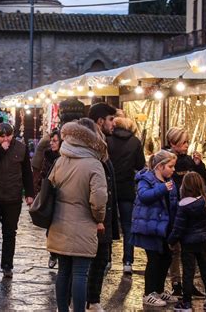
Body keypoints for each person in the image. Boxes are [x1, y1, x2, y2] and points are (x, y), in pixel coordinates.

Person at [48, 118, 108, 312]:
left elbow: (50, 188)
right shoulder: (94, 165)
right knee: (80, 273)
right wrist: (99, 219)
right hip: (83, 224)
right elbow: (98, 201)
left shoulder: (60, 161)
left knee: (63, 271)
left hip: (59, 224)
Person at [0, 123, 34, 278]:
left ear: (13, 134)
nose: (5, 139)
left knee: (10, 233)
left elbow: (26, 172)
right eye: (2, 136)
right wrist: (0, 151)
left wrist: (30, 193)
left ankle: (7, 265)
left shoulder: (21, 148)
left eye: (8, 135)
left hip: (13, 196)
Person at [165, 127, 206, 297]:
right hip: (174, 209)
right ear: (173, 143)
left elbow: (202, 180)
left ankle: (188, 284)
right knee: (175, 250)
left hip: (188, 209)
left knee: (189, 250)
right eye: (183, 142)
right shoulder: (167, 159)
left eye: (187, 142)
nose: (186, 145)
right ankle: (177, 284)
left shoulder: (188, 160)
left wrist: (199, 165)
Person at [131, 150, 178, 307]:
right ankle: (148, 293)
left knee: (166, 257)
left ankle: (158, 290)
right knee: (154, 259)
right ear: (160, 166)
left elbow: (173, 204)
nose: (173, 170)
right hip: (149, 227)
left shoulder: (169, 180)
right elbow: (144, 196)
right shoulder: (146, 179)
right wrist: (163, 189)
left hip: (163, 227)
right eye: (170, 166)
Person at [87, 102, 120, 311]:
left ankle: (93, 299)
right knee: (92, 261)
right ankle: (91, 300)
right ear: (100, 121)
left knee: (100, 261)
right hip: (95, 216)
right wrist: (99, 218)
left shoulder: (102, 147)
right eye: (110, 120)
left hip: (103, 215)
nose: (113, 124)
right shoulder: (94, 149)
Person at [168, 172, 206, 311]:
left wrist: (171, 240)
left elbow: (178, 228)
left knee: (188, 272)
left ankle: (186, 303)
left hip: (188, 243)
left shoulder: (183, 206)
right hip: (203, 241)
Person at [106, 116, 145, 274]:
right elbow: (140, 165)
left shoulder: (107, 141)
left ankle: (107, 259)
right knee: (128, 225)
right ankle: (128, 261)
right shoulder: (135, 142)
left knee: (108, 222)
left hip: (109, 187)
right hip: (127, 187)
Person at [35, 130, 61, 269]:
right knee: (50, 228)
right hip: (50, 196)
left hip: (62, 196)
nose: (51, 142)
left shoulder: (66, 158)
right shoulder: (49, 156)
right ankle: (53, 253)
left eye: (55, 140)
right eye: (51, 140)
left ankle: (57, 254)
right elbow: (43, 175)